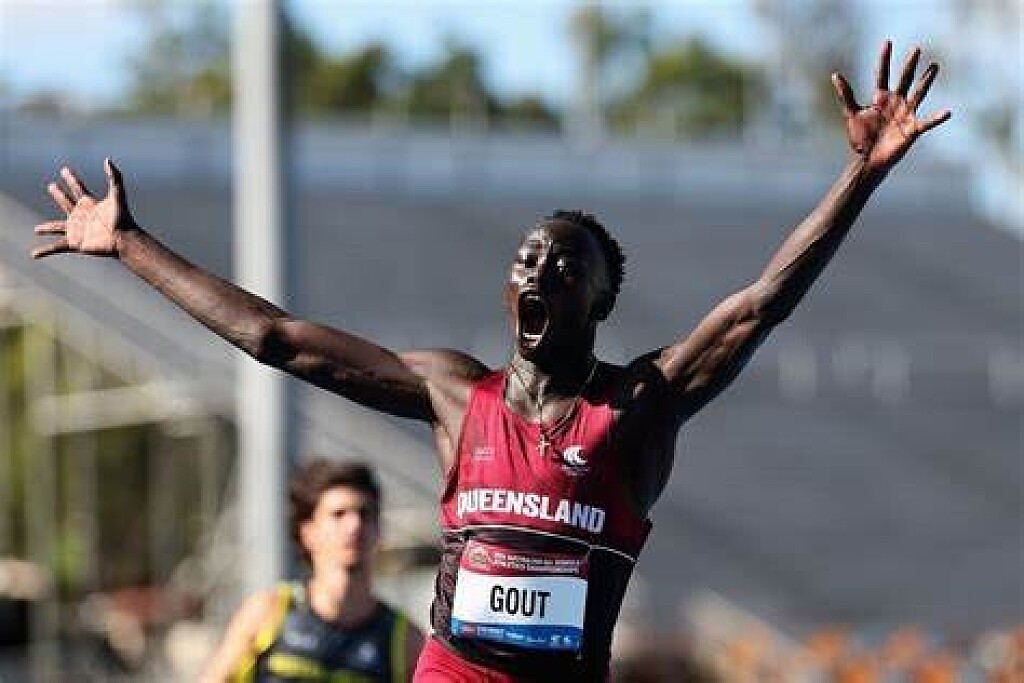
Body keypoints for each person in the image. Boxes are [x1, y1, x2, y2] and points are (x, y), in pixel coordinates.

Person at [30, 41, 949, 681]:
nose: (540, 267)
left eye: (566, 265)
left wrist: (860, 175)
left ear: (600, 303)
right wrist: (130, 245)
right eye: (527, 258)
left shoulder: (638, 403)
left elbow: (758, 305)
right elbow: (278, 338)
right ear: (510, 294)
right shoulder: (451, 391)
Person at [200, 458, 424, 682]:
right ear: (308, 532)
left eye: (364, 514)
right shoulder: (267, 613)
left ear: (379, 530)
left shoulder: (406, 641)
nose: (354, 525)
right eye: (338, 514)